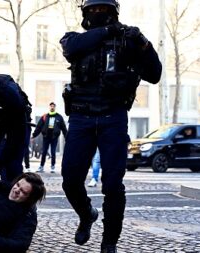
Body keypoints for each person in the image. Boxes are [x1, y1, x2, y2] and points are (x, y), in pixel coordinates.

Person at [59, 0, 162, 252]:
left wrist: (145, 46)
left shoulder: (128, 41)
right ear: (85, 14)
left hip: (113, 118)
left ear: (113, 12)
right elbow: (70, 47)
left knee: (113, 184)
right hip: (81, 118)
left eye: (102, 10)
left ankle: (109, 242)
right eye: (93, 10)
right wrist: (107, 31)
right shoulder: (76, 40)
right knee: (70, 180)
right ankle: (87, 214)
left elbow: (155, 74)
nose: (97, 13)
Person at [32, 102, 67, 173]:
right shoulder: (45, 116)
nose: (52, 107)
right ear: (49, 107)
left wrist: (67, 137)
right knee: (44, 152)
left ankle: (53, 166)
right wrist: (34, 135)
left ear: (55, 107)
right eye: (51, 106)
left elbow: (63, 128)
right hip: (46, 137)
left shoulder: (59, 117)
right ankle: (41, 166)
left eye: (53, 106)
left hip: (54, 137)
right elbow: (39, 127)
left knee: (53, 152)